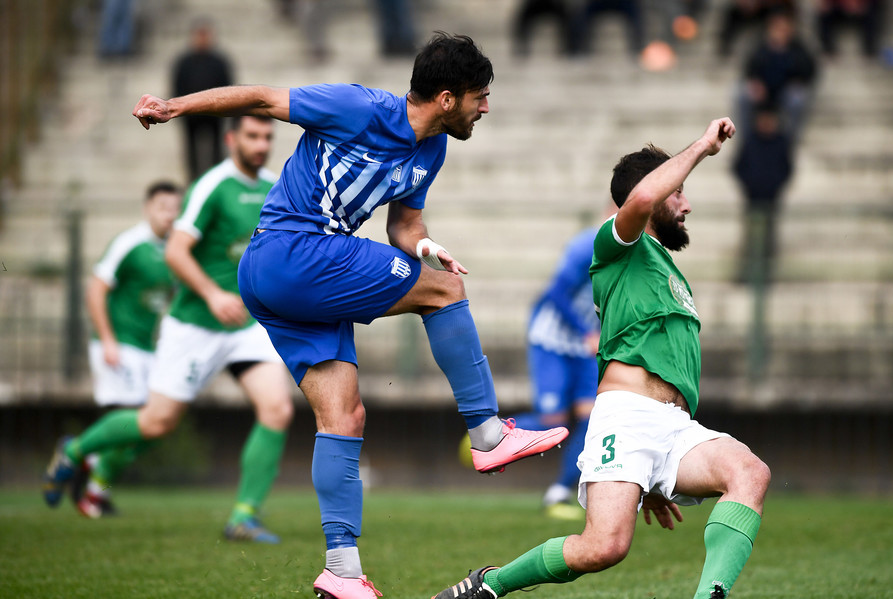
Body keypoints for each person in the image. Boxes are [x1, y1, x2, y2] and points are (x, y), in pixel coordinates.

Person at [128, 32, 568, 599]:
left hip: (298, 278)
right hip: (291, 252)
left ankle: (341, 571)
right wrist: (174, 107)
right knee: (447, 294)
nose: (486, 106)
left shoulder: (432, 149)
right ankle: (486, 433)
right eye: (480, 95)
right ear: (445, 97)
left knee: (344, 416)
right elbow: (263, 99)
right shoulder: (358, 106)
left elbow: (404, 228)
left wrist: (428, 250)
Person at [431, 118, 772, 599]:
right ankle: (488, 585)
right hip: (627, 419)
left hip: (674, 428)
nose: (687, 204)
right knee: (603, 548)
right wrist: (701, 146)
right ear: (652, 196)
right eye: (679, 193)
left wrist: (657, 470)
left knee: (750, 472)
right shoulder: (617, 247)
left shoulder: (665, 267)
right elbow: (636, 202)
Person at [44, 115, 294, 544]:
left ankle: (243, 516)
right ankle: (75, 450)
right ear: (231, 139)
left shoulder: (273, 186)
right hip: (196, 324)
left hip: (246, 323)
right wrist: (213, 295)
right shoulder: (211, 186)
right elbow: (177, 253)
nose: (261, 144)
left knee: (277, 408)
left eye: (267, 136)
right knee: (156, 422)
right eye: (252, 136)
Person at [72, 181, 182, 518]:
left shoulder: (175, 251)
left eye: (176, 209)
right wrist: (107, 339)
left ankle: (91, 466)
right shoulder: (130, 243)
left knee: (148, 431)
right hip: (119, 346)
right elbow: (96, 289)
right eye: (163, 208)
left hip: (146, 350)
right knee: (136, 423)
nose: (170, 216)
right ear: (148, 208)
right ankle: (90, 485)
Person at [508, 217, 608, 520]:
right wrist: (585, 331)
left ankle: (559, 492)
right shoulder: (588, 247)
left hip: (585, 349)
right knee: (553, 420)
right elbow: (556, 293)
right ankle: (491, 433)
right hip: (551, 340)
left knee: (591, 418)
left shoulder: (638, 254)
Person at [736, 7, 817, 145]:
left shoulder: (798, 48)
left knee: (797, 97)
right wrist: (755, 83)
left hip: (785, 92)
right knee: (741, 94)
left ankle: (789, 142)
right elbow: (749, 69)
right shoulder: (761, 47)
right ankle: (746, 141)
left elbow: (810, 70)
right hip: (764, 92)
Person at [732, 103, 793, 285]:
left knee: (769, 239)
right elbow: (738, 167)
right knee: (751, 239)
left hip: (771, 200)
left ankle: (766, 276)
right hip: (752, 199)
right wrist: (749, 185)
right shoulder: (751, 140)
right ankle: (746, 274)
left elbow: (787, 169)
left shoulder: (781, 142)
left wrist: (775, 186)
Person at [171, 17, 234, 182]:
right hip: (190, 115)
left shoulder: (219, 62)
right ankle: (193, 181)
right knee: (191, 152)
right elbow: (177, 86)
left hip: (215, 115)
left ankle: (216, 181)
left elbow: (229, 87)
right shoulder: (184, 62)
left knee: (216, 152)